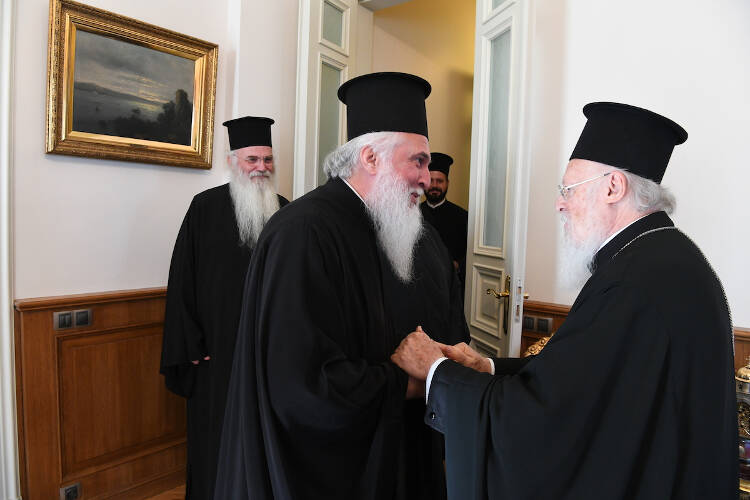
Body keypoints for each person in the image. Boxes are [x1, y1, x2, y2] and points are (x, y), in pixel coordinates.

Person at [392, 102, 737, 499]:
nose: (559, 203)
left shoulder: (634, 283)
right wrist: (486, 367)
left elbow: (546, 417)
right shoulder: (662, 259)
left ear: (613, 187)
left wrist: (435, 371)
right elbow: (583, 376)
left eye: (568, 190)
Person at [214, 72, 468, 499]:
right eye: (418, 161)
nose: (427, 179)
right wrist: (413, 381)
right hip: (336, 471)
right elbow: (300, 384)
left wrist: (444, 369)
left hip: (412, 454)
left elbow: (452, 332)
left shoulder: (425, 241)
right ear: (370, 158)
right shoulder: (303, 233)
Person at [159, 116, 289, 499]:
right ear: (233, 162)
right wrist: (190, 343)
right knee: (214, 439)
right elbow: (182, 279)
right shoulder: (204, 208)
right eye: (252, 159)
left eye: (267, 159)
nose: (261, 167)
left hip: (270, 352)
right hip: (216, 353)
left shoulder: (286, 212)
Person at [420, 152, 468, 287]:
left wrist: (458, 264)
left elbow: (470, 253)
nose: (435, 185)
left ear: (447, 183)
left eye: (440, 181)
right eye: (431, 181)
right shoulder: (413, 214)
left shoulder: (462, 216)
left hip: (452, 284)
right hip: (421, 283)